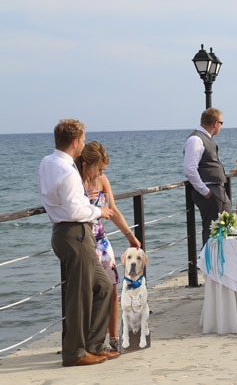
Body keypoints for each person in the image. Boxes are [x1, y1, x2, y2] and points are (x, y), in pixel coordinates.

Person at [38, 118, 117, 367]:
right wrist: (99, 212)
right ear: (74, 142)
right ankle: (75, 353)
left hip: (66, 233)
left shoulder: (47, 162)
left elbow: (65, 202)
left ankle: (92, 346)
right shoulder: (67, 170)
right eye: (83, 140)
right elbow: (73, 212)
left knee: (103, 286)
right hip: (75, 233)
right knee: (80, 295)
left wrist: (86, 200)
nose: (84, 143)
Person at [75, 141, 142, 351]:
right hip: (83, 241)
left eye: (104, 169)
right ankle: (86, 341)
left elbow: (112, 209)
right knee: (87, 293)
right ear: (88, 164)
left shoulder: (102, 181)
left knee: (113, 289)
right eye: (100, 168)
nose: (101, 173)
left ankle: (113, 338)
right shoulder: (75, 181)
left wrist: (130, 235)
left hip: (102, 241)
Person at [183, 108, 232, 244]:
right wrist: (205, 192)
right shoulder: (196, 139)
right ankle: (208, 263)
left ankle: (222, 261)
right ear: (216, 123)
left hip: (217, 189)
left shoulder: (205, 138)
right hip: (210, 191)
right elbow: (190, 169)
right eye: (222, 123)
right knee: (212, 232)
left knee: (227, 227)